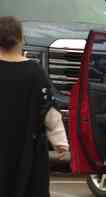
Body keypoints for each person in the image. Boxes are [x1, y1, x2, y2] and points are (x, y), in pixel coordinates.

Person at [0, 16, 68, 197]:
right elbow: (49, 112)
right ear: (21, 39)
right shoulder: (35, 71)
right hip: (26, 152)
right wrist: (60, 142)